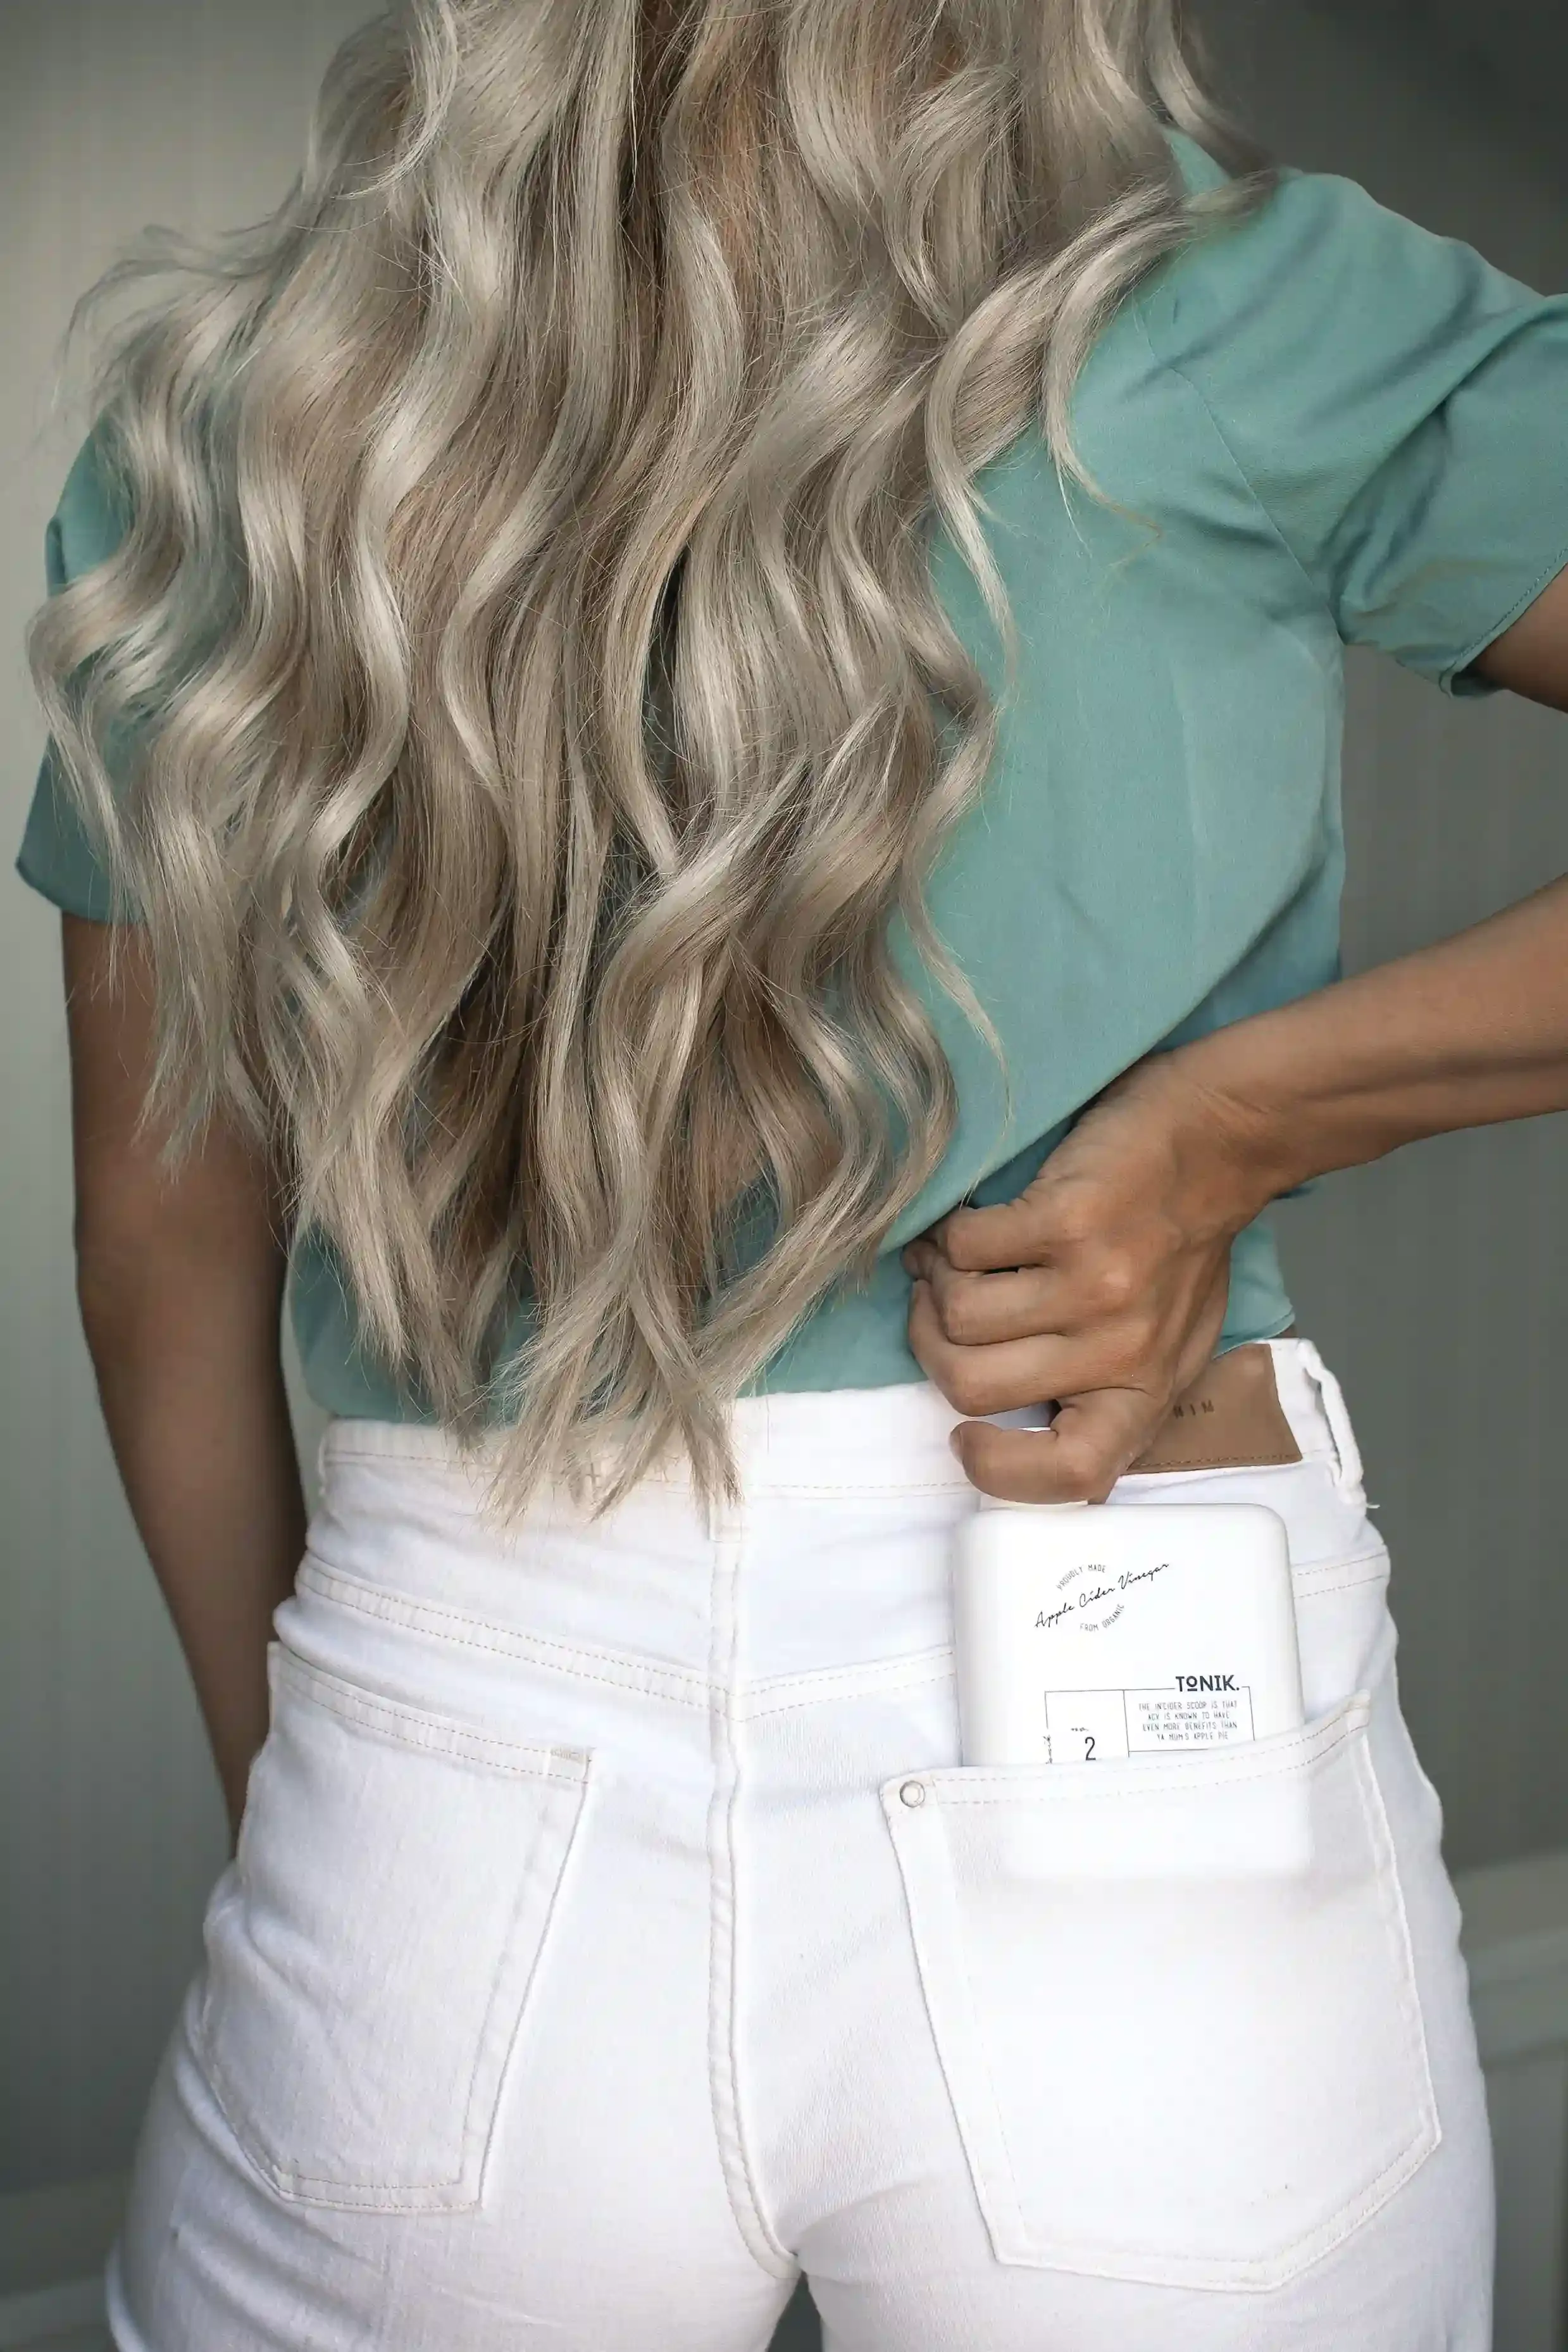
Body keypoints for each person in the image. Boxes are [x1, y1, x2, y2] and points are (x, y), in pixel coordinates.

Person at [16, 1, 1568, 2344]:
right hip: (1120, 1658)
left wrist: (325, 1796)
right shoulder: (1242, 305)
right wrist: (1229, 1128)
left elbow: (158, 1252)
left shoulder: (244, 414)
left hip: (461, 1724)